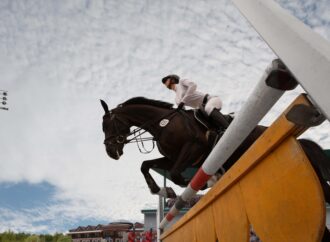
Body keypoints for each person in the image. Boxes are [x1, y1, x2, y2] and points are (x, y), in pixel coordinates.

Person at [161, 74, 230, 129]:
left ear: (172, 79)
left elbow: (193, 85)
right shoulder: (177, 99)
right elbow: (183, 112)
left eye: (166, 80)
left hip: (211, 100)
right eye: (164, 83)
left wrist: (183, 101)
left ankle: (227, 127)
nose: (165, 83)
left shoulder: (182, 82)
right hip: (202, 110)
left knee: (208, 108)